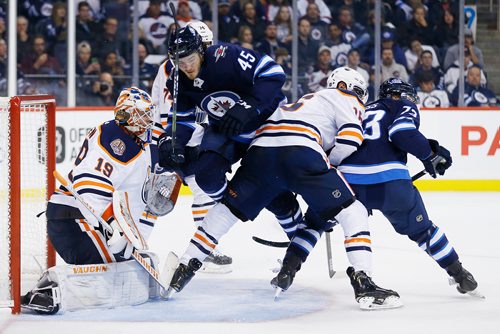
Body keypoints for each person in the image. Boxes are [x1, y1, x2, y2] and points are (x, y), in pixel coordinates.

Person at [167, 67, 402, 310]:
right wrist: (328, 166)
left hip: (259, 155)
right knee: (354, 212)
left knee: (225, 212)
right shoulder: (346, 97)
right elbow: (350, 138)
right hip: (302, 152)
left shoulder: (301, 102)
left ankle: (183, 268)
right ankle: (364, 282)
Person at [21, 87, 176, 314]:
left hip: (84, 218)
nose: (148, 119)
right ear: (127, 115)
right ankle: (49, 290)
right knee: (110, 273)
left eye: (148, 113)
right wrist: (114, 225)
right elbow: (87, 186)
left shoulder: (133, 137)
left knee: (124, 263)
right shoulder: (117, 140)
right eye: (142, 114)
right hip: (73, 219)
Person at [338, 78, 480, 297]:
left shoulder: (359, 109)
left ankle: (290, 264)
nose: (412, 100)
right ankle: (460, 273)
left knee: (317, 222)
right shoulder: (402, 105)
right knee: (424, 232)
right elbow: (402, 132)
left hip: (350, 184)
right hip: (391, 185)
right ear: (395, 95)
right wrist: (429, 155)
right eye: (407, 96)